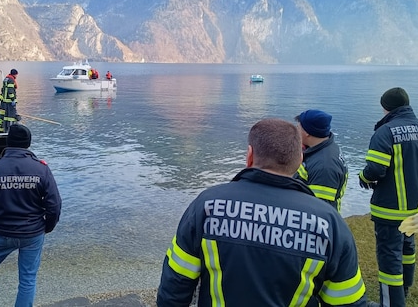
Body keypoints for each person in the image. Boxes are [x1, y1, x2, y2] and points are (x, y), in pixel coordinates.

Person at [157, 118, 366, 307]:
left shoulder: (207, 205)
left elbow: (176, 282)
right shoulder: (329, 223)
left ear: (249, 156)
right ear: (300, 160)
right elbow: (347, 301)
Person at [358, 87, 418, 307]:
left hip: (389, 210)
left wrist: (363, 176)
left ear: (385, 107)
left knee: (389, 259)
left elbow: (375, 169)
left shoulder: (385, 132)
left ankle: (392, 303)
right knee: (408, 248)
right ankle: (405, 288)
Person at [0, 124, 61, 307]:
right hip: (32, 233)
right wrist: (46, 228)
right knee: (27, 279)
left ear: (7, 142)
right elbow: (54, 205)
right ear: (28, 144)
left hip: (1, 232)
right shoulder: (41, 169)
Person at [294, 109, 348, 212]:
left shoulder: (325, 167)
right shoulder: (324, 148)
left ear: (307, 133)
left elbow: (319, 209)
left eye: (298, 127)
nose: (296, 130)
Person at [0, 69, 19, 133]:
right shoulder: (11, 80)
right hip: (9, 104)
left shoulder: (6, 79)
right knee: (10, 118)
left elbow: (2, 94)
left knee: (2, 117)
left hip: (3, 104)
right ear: (15, 74)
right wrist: (13, 100)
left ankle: (1, 130)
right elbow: (10, 91)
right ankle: (10, 131)